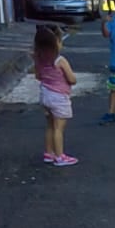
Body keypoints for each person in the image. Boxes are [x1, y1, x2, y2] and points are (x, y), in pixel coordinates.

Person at [34, 24, 78, 167]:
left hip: (45, 95)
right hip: (59, 98)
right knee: (59, 128)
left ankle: (49, 153)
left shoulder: (39, 59)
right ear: (56, 43)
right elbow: (72, 79)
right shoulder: (60, 61)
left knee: (50, 126)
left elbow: (38, 76)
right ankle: (60, 156)